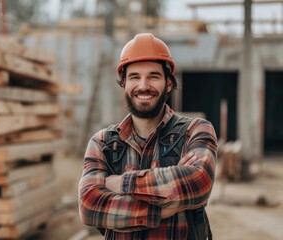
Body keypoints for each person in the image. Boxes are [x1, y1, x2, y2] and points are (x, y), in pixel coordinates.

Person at [78, 33, 217, 240]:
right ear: (123, 83)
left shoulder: (195, 131)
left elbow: (199, 182)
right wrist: (161, 210)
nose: (143, 86)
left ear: (168, 83)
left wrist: (122, 184)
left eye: (153, 76)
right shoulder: (103, 143)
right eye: (134, 77)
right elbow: (90, 206)